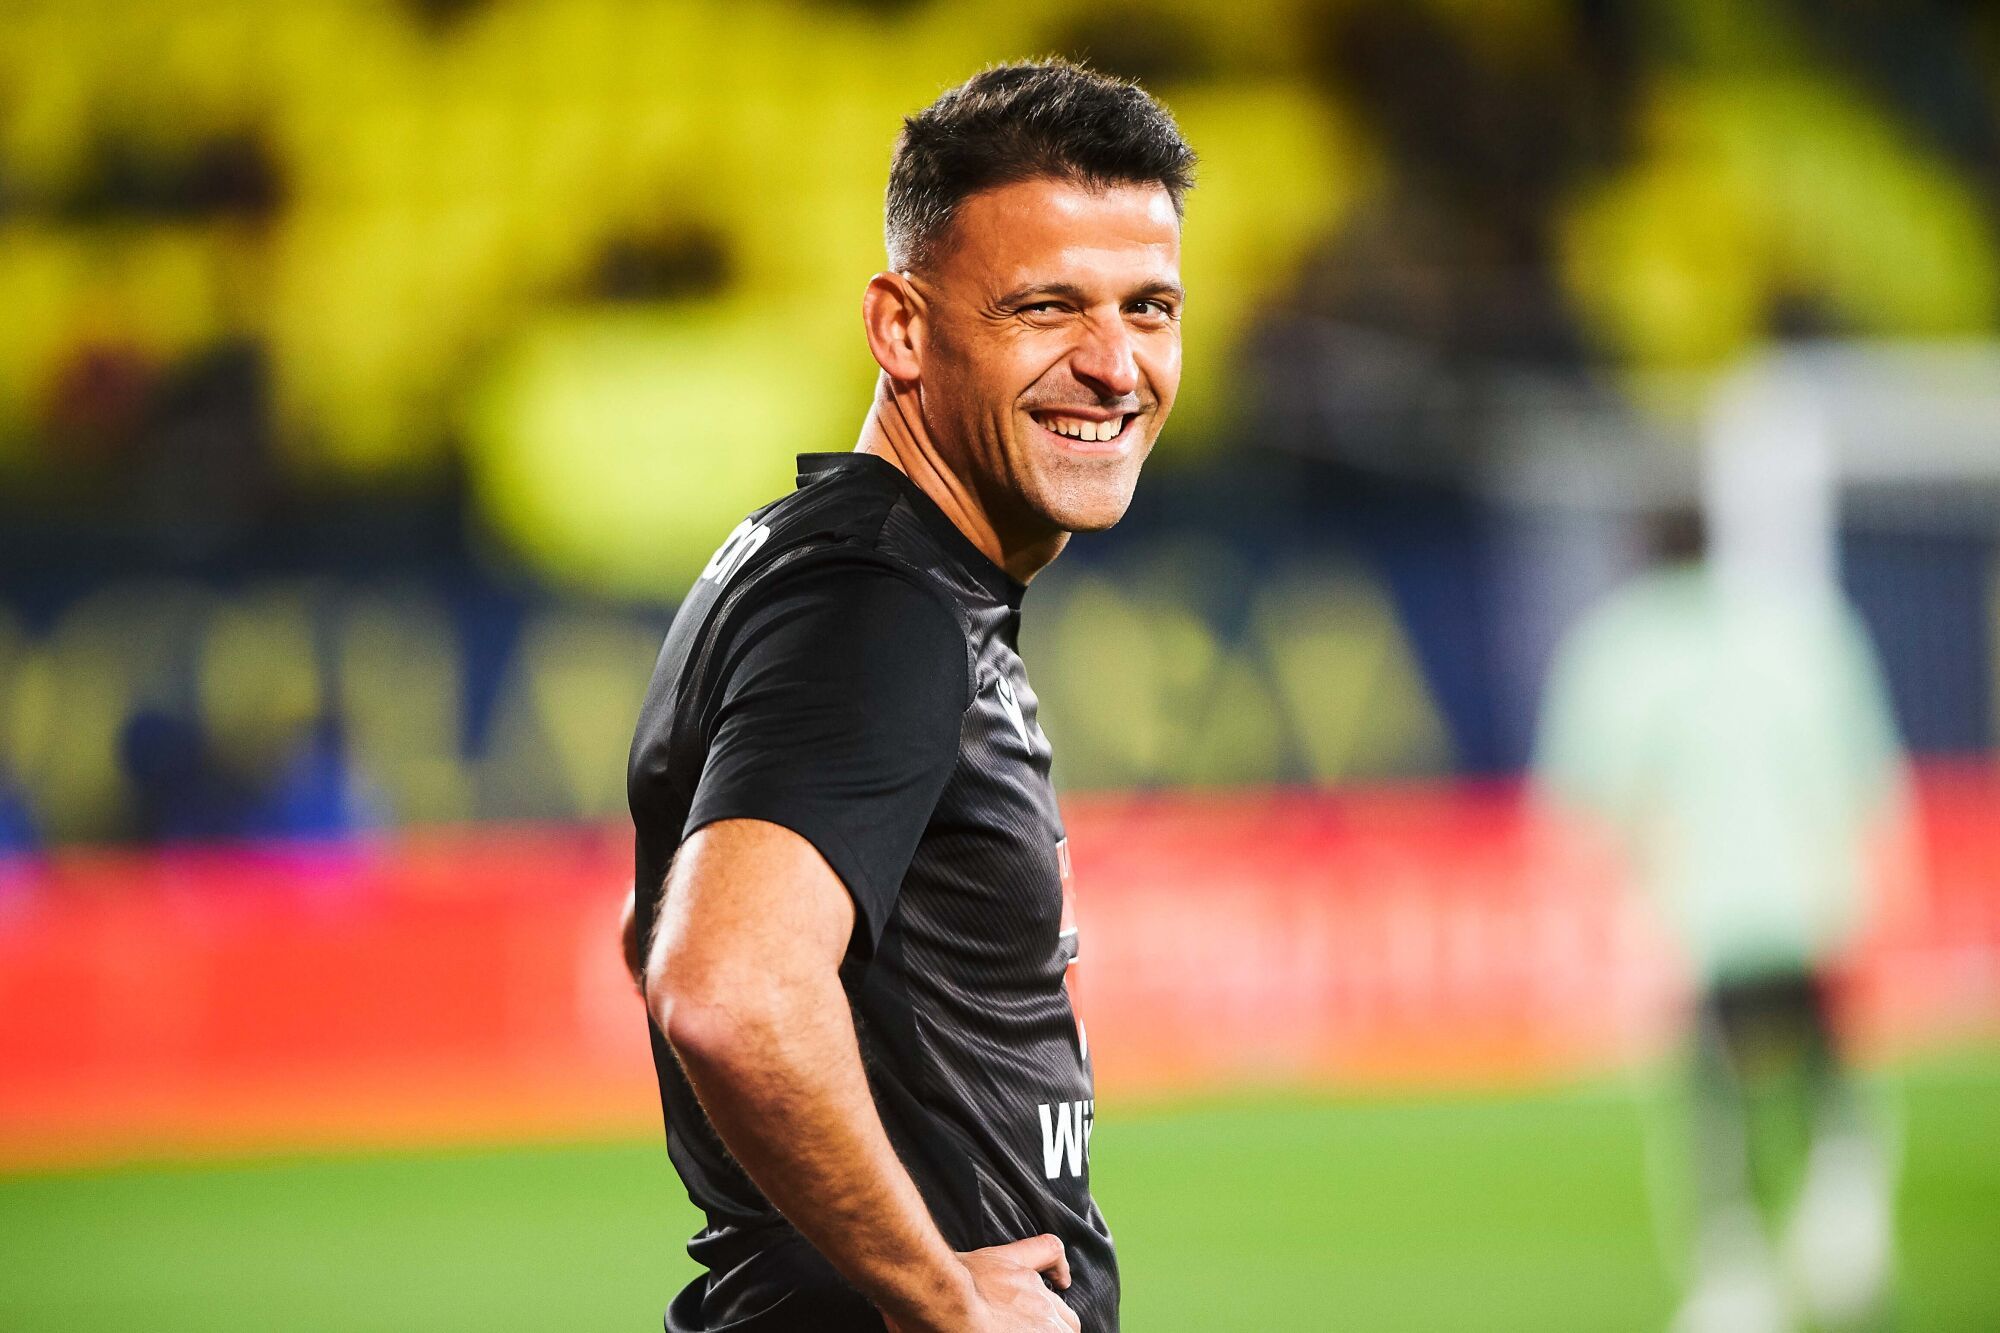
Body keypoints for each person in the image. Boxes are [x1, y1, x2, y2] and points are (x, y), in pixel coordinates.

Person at [619, 60, 1193, 1333]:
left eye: (1147, 308)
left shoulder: (823, 563)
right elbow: (726, 986)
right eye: (1045, 307)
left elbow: (654, 918)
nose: (1113, 365)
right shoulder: (881, 609)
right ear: (900, 329)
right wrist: (933, 1293)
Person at [1534, 509, 1906, 1333]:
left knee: (1712, 1095)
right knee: (1821, 1066)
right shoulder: (1800, 629)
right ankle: (1845, 1223)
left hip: (1696, 916)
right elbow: (1866, 769)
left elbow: (1585, 802)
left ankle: (1737, 1271)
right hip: (1811, 900)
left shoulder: (1617, 649)